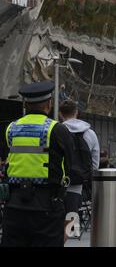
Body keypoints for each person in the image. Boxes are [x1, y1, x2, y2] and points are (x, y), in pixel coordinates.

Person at [1, 81, 74, 247]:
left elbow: (6, 161)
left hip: (14, 206)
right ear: (49, 104)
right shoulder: (57, 130)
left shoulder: (10, 129)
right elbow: (70, 163)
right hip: (47, 207)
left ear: (26, 105)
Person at [59, 99, 100, 242]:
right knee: (70, 222)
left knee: (53, 222)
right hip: (76, 186)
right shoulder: (91, 134)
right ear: (77, 112)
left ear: (60, 114)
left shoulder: (56, 131)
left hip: (56, 185)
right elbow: (94, 165)